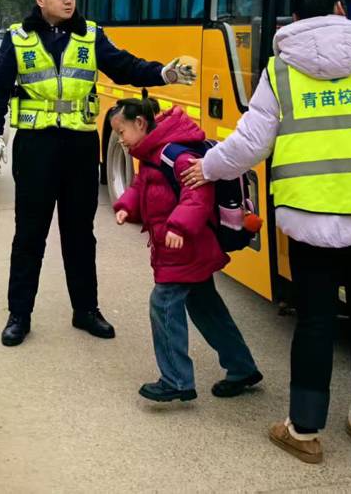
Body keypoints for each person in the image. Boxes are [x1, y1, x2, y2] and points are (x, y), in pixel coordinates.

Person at [180, 0, 351, 464]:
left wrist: (207, 167)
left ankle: (304, 431)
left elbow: (251, 143)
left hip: (312, 217)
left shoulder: (280, 70)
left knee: (315, 322)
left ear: (294, 18)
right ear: (340, 9)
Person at [0, 0, 198, 346]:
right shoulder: (18, 38)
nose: (69, 0)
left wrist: (161, 74)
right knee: (29, 233)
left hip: (80, 148)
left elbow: (124, 67)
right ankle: (19, 314)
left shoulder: (90, 37)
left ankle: (85, 310)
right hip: (35, 147)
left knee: (80, 233)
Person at [110, 96, 262, 403]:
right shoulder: (152, 153)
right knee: (206, 307)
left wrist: (178, 227)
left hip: (185, 247)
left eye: (121, 132)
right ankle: (242, 368)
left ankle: (176, 380)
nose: (121, 140)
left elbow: (197, 195)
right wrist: (126, 206)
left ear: (139, 123)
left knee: (163, 304)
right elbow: (141, 186)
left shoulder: (172, 155)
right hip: (183, 248)